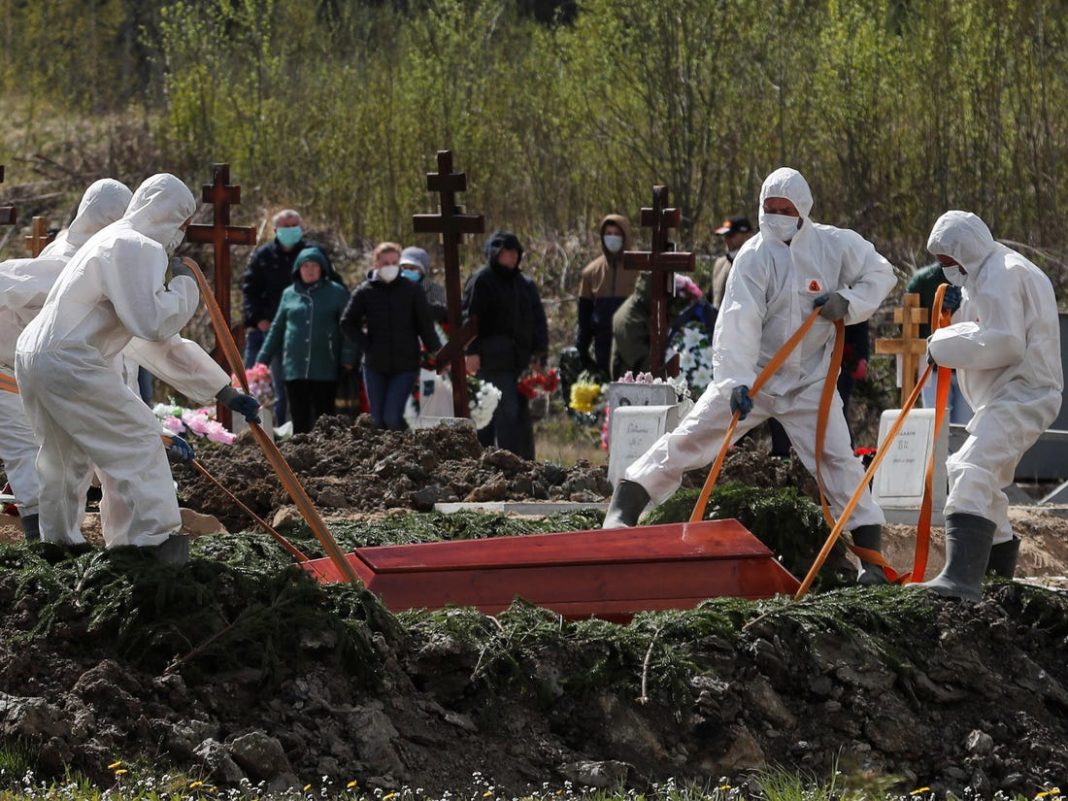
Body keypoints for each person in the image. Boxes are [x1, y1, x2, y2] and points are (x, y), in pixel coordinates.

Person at [603, 167, 897, 586]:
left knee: (837, 460)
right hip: (754, 379)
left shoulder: (836, 246)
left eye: (785, 209)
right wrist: (737, 381)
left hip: (809, 383)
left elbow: (881, 273)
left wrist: (847, 301)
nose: (776, 216)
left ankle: (871, 559)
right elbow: (738, 321)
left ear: (804, 210)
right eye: (769, 209)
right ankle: (626, 504)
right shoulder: (754, 256)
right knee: (693, 437)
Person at [14, 174, 259, 560]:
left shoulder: (106, 242)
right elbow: (153, 323)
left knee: (63, 457)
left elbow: (151, 343)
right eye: (180, 223)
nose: (179, 235)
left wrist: (221, 390)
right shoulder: (136, 246)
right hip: (68, 358)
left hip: (34, 354)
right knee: (140, 441)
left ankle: (59, 546)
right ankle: (152, 545)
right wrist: (184, 287)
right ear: (168, 215)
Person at [920, 211, 1062, 600]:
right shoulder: (986, 273)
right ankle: (997, 585)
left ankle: (961, 579)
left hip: (1024, 394)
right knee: (986, 484)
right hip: (1009, 396)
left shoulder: (1002, 273)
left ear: (963, 250)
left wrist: (941, 344)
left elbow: (1004, 342)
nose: (944, 270)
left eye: (947, 261)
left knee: (970, 467)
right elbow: (985, 329)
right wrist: (953, 323)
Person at [241, 209, 339, 424]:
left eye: (294, 225)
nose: (291, 230)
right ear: (275, 230)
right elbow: (250, 290)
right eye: (286, 226)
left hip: (310, 333)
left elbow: (334, 287)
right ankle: (275, 430)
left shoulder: (313, 253)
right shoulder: (263, 256)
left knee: (304, 390)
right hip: (271, 330)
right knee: (274, 387)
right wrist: (258, 319)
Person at [463, 231, 548, 459]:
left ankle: (522, 465)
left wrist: (539, 356)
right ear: (494, 253)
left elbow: (538, 322)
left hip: (520, 362)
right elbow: (469, 318)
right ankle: (499, 464)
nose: (510, 257)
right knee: (499, 414)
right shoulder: (482, 280)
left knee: (519, 417)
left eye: (514, 252)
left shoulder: (525, 285)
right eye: (505, 252)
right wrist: (470, 351)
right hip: (491, 360)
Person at [341, 242, 441, 431]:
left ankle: (408, 448)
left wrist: (437, 353)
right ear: (376, 264)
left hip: (405, 365)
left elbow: (425, 326)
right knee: (378, 419)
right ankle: (387, 456)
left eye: (395, 262)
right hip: (375, 365)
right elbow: (347, 322)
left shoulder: (412, 290)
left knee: (392, 416)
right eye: (386, 262)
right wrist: (366, 345)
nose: (391, 266)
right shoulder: (365, 291)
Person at [256, 247, 356, 434]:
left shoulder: (336, 292)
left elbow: (348, 327)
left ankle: (326, 453)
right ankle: (299, 454)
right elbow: (277, 328)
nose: (310, 270)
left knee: (324, 416)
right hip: (295, 366)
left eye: (314, 265)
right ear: (298, 269)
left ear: (322, 268)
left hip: (325, 364)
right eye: (305, 266)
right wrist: (264, 357)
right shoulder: (289, 294)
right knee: (298, 416)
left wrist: (348, 356)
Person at [906, 262, 973, 424]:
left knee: (964, 427)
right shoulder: (923, 281)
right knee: (935, 423)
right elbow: (908, 324)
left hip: (967, 366)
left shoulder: (976, 276)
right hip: (934, 366)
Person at [576, 215, 637, 376]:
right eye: (608, 233)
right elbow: (584, 315)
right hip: (603, 345)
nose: (612, 238)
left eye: (617, 234)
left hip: (632, 345)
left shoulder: (639, 269)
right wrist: (582, 348)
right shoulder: (591, 272)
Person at [709, 216, 756, 309]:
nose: (727, 239)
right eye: (725, 236)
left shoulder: (758, 263)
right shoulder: (720, 264)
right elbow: (712, 298)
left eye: (731, 235)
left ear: (748, 236)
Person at [399, 246, 448, 323]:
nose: (407, 271)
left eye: (412, 268)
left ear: (423, 270)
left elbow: (445, 313)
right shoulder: (397, 289)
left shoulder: (436, 290)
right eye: (404, 268)